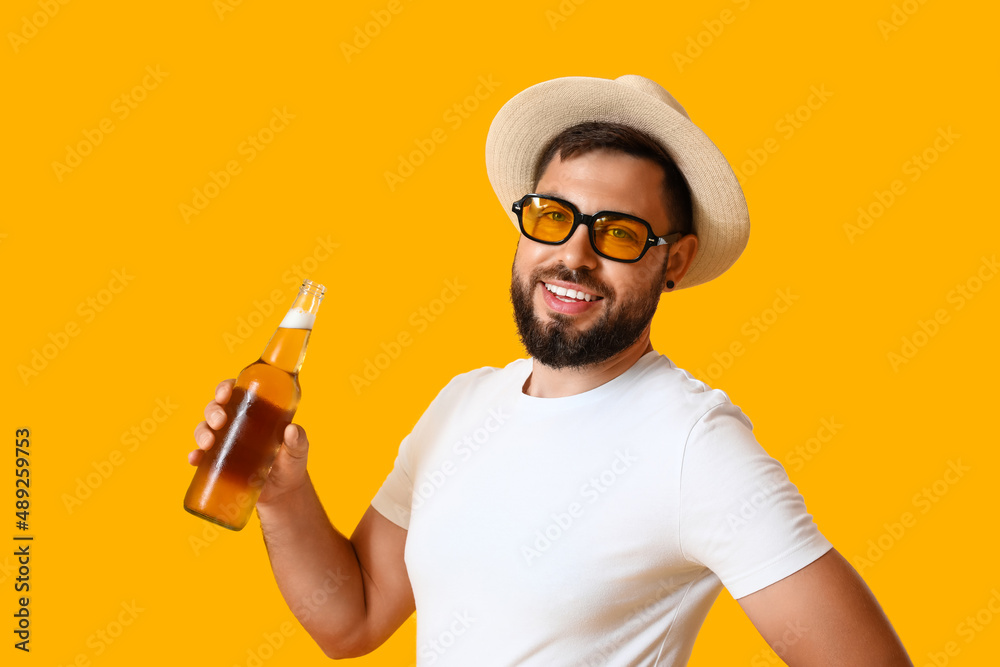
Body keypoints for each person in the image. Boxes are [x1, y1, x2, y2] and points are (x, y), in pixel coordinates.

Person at [189, 75, 913, 665]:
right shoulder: (463, 404)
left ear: (676, 263)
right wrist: (283, 496)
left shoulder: (694, 442)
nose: (575, 254)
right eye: (552, 216)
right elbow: (352, 619)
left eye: (620, 233)